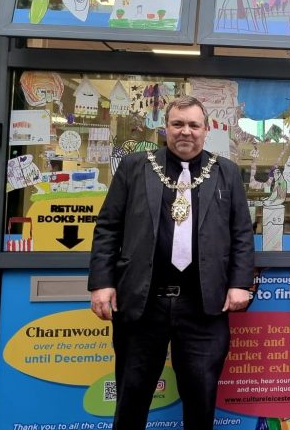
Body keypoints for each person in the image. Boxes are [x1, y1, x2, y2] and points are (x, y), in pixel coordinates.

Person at [88, 96, 254, 430]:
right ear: (165, 128)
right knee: (132, 395)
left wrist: (239, 283)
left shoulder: (227, 172)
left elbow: (241, 233)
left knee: (201, 397)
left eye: (194, 125)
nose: (186, 132)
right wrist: (102, 283)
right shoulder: (135, 167)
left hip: (203, 306)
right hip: (142, 301)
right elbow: (108, 227)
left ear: (206, 130)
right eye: (178, 124)